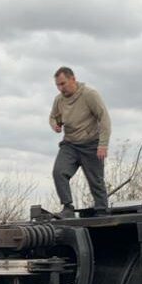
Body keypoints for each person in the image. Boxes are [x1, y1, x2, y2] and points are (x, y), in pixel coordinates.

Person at [49, 66, 112, 218]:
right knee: (59, 172)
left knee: (96, 180)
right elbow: (53, 117)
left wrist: (103, 144)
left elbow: (104, 118)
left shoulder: (89, 95)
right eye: (58, 85)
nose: (60, 88)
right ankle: (67, 207)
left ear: (73, 79)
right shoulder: (59, 100)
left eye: (63, 84)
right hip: (70, 144)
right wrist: (55, 125)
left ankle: (102, 210)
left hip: (91, 143)